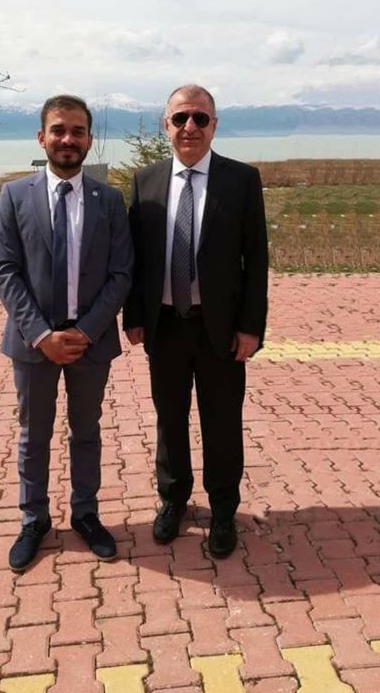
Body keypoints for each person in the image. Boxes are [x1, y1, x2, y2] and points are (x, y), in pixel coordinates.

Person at [123, 84, 268, 558]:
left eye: (200, 118)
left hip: (220, 328)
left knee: (222, 421)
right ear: (165, 125)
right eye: (181, 118)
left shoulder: (241, 180)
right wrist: (134, 315)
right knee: (169, 418)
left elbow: (256, 259)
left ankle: (223, 509)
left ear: (214, 126)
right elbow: (137, 257)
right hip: (165, 325)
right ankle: (173, 499)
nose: (190, 127)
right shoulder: (145, 181)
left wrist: (251, 327)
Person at [0, 94, 133, 571]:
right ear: (42, 137)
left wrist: (87, 331)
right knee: (34, 434)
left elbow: (122, 273)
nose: (67, 139)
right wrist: (42, 335)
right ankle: (34, 520)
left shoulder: (109, 200)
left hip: (91, 342)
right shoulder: (14, 196)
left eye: (77, 131)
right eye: (58, 130)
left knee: (86, 431)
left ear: (89, 140)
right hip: (33, 344)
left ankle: (86, 514)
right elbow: (4, 270)